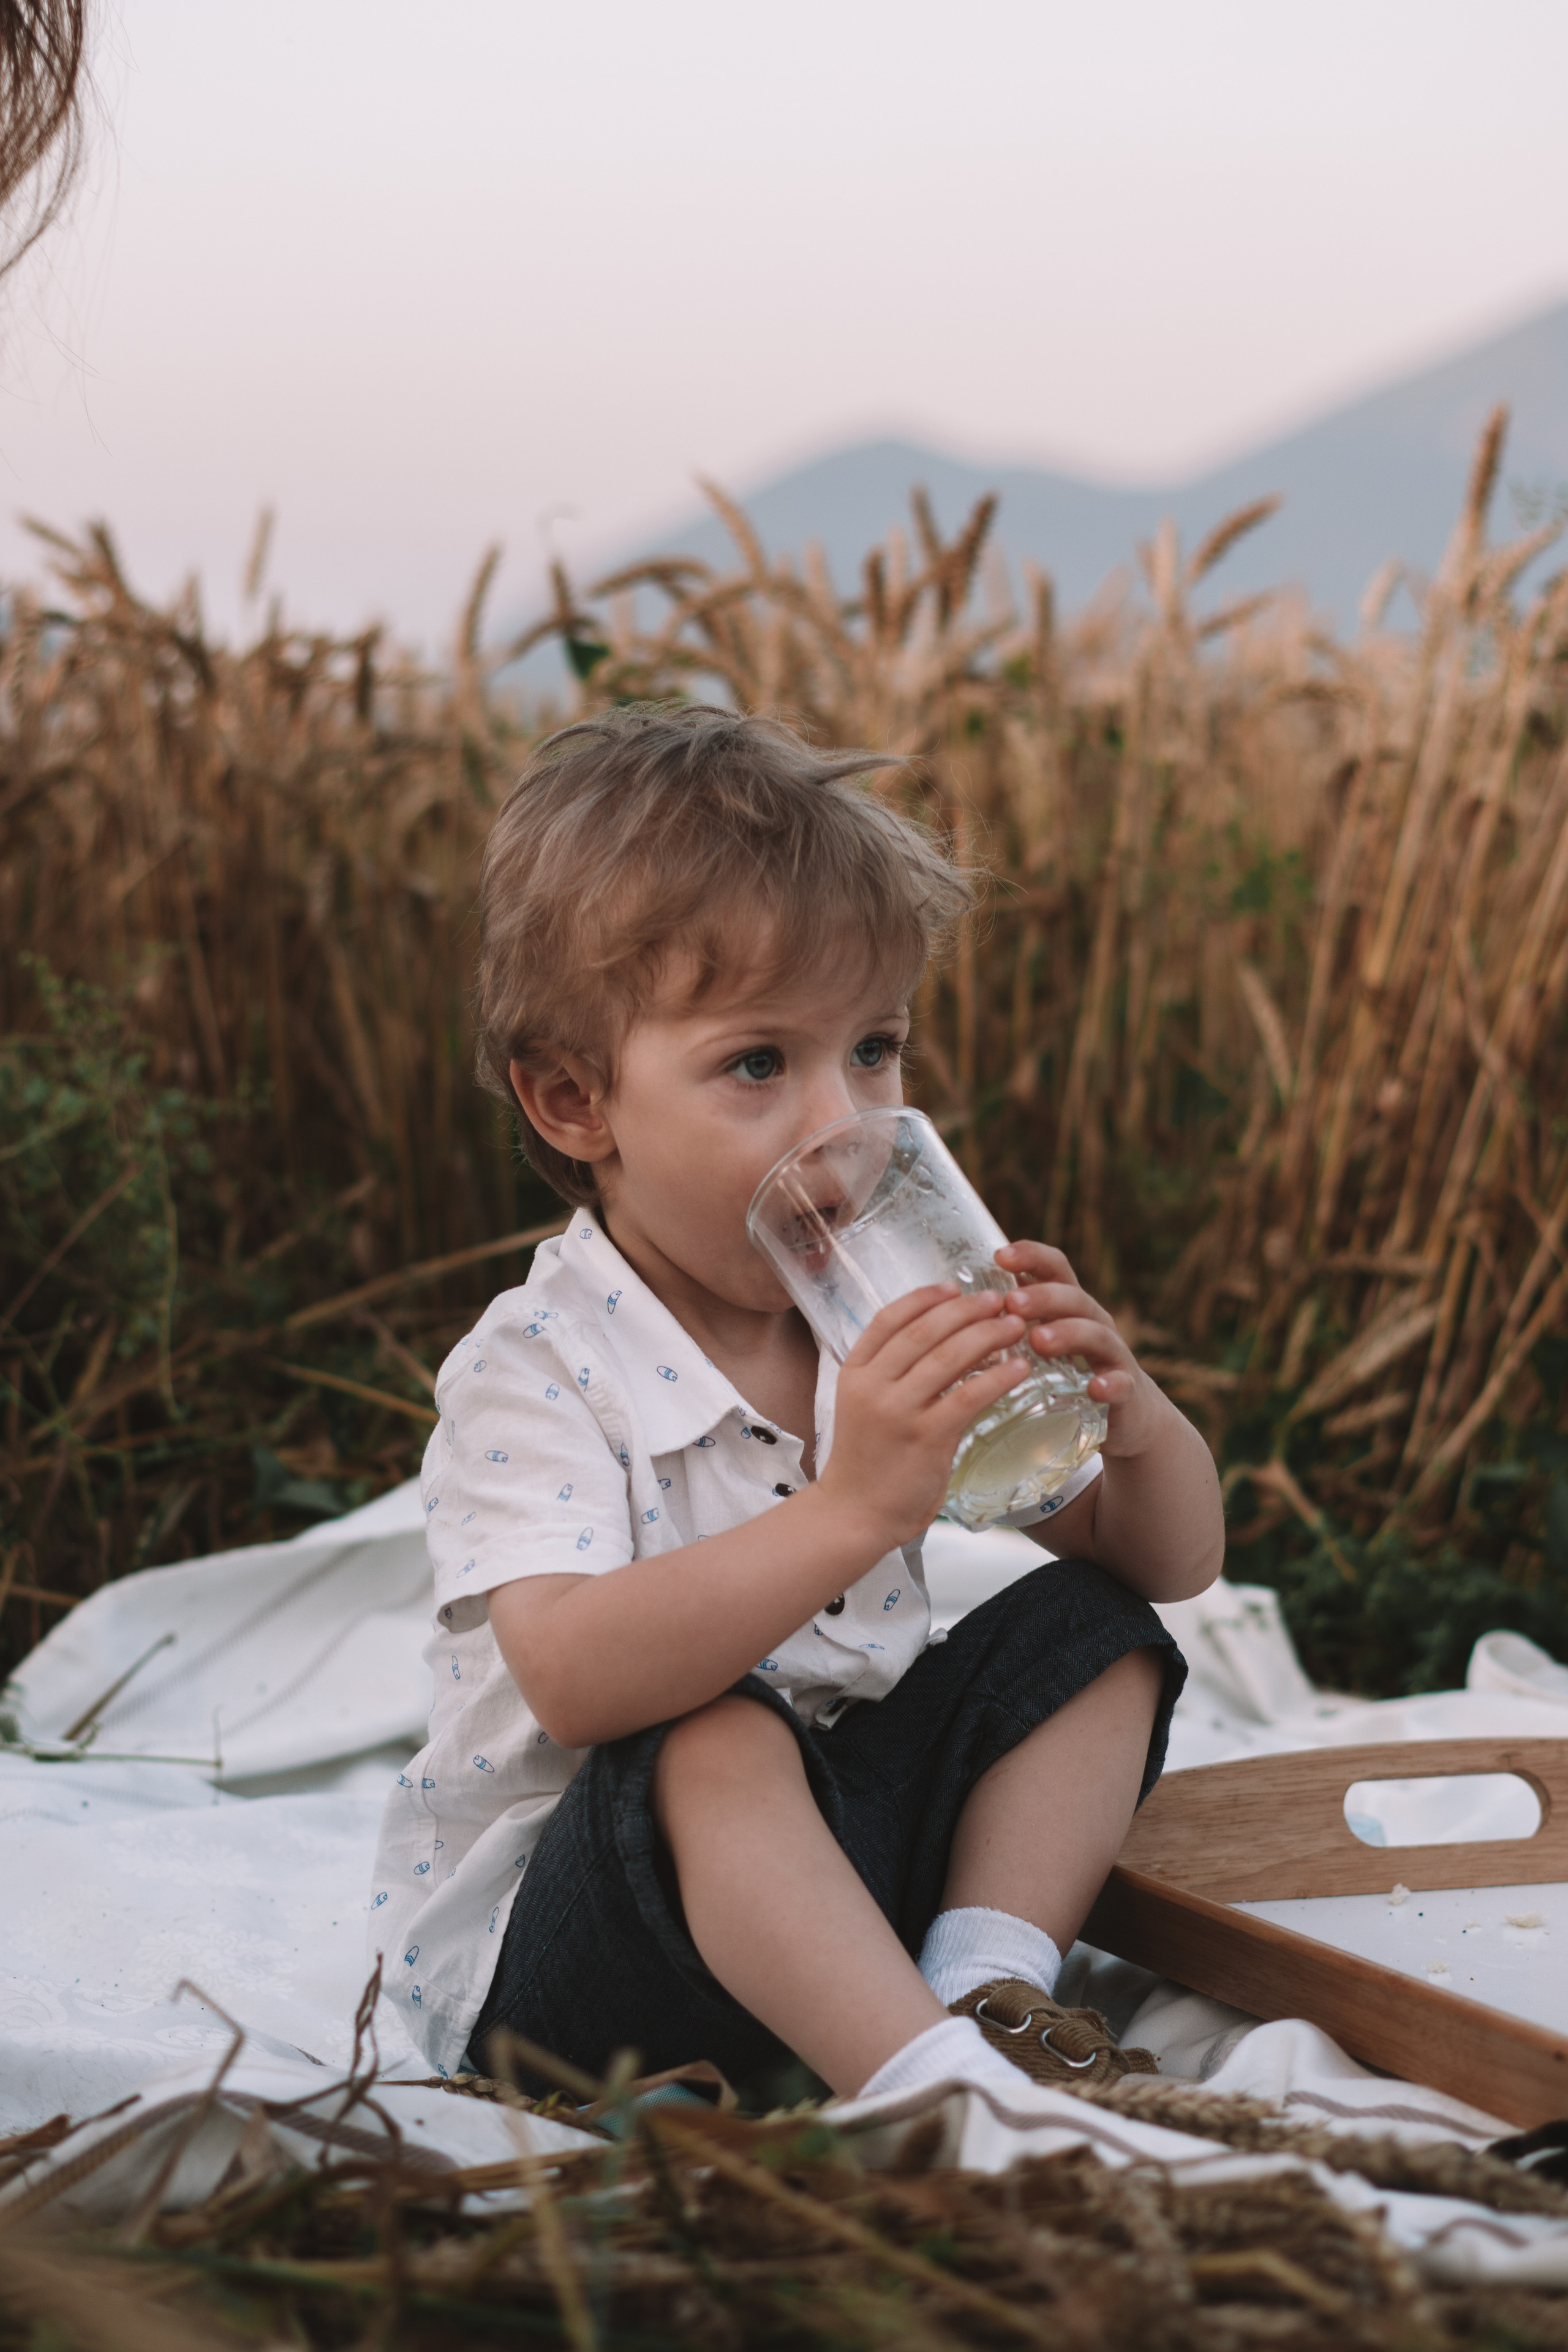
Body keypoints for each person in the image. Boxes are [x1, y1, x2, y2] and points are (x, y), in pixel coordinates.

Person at [371, 704, 1224, 2105]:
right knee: (712, 1729)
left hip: (823, 1879)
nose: (839, 1122)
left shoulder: (875, 1316)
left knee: (1093, 1635)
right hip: (586, 1958)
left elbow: (1167, 1565)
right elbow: (578, 1682)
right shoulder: (534, 1364)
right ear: (575, 1100)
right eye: (758, 1064)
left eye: (874, 1050)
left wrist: (1130, 1422)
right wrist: (852, 1512)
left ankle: (982, 1991)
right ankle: (928, 2094)